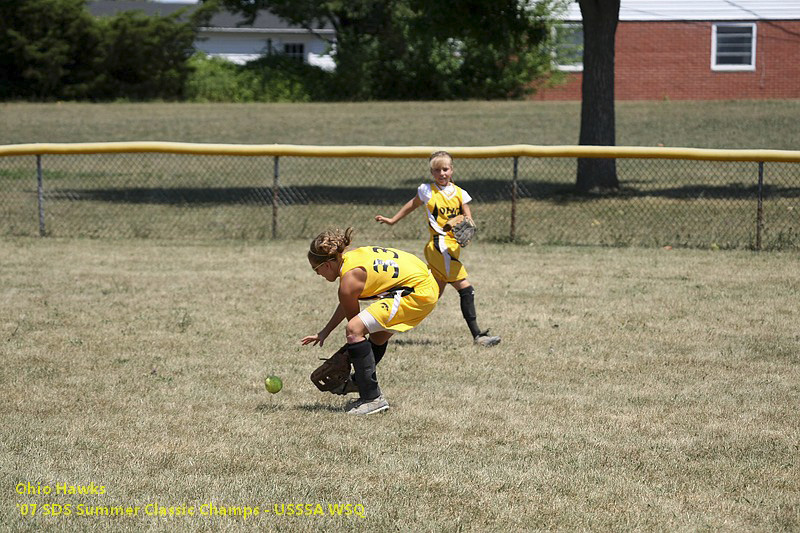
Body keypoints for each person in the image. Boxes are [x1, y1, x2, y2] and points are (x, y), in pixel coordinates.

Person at [301, 227, 439, 416]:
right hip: (423, 284)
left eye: (316, 269)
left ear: (327, 265)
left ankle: (372, 398)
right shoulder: (350, 259)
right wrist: (325, 332)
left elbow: (355, 327)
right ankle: (361, 382)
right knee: (378, 336)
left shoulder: (349, 279)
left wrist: (346, 355)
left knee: (354, 328)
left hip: (417, 292)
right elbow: (347, 300)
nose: (318, 274)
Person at [375, 151, 501, 347]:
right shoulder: (427, 190)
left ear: (452, 170)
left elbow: (469, 219)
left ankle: (384, 321)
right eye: (436, 170)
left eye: (445, 169)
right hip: (439, 246)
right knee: (466, 289)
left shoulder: (461, 193)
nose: (441, 173)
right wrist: (392, 220)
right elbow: (412, 205)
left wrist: (466, 222)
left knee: (428, 296)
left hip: (452, 247)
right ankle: (478, 336)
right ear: (431, 172)